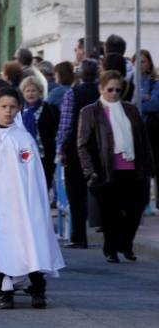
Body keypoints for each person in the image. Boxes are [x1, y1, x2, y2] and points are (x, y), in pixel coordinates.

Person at [0, 87, 65, 310]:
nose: (7, 111)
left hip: (19, 202)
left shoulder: (24, 139)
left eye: (12, 107)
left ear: (19, 109)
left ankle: (37, 287)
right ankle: (2, 291)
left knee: (27, 241)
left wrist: (31, 201)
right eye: (3, 106)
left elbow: (31, 174)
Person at [77, 70, 153, 263]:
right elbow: (83, 145)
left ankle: (126, 244)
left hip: (133, 169)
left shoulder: (131, 110)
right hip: (106, 170)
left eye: (118, 90)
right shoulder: (90, 112)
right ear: (101, 88)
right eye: (110, 89)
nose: (114, 93)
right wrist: (90, 171)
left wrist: (149, 167)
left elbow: (143, 140)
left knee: (136, 208)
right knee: (110, 213)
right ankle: (111, 249)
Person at [57, 59, 100, 249]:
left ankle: (79, 236)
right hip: (99, 148)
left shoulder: (72, 94)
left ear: (80, 74)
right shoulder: (101, 92)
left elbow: (65, 125)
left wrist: (61, 148)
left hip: (75, 149)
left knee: (76, 195)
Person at [20, 76, 59, 190]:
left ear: (40, 92)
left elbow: (55, 131)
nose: (30, 94)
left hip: (44, 155)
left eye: (33, 90)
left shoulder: (50, 109)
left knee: (43, 186)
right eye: (27, 91)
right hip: (25, 154)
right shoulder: (20, 110)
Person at [132, 49, 159, 207]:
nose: (140, 65)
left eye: (143, 62)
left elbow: (154, 104)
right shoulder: (128, 82)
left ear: (149, 64)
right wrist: (144, 97)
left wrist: (139, 100)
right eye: (137, 62)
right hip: (133, 132)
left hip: (151, 131)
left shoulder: (155, 83)